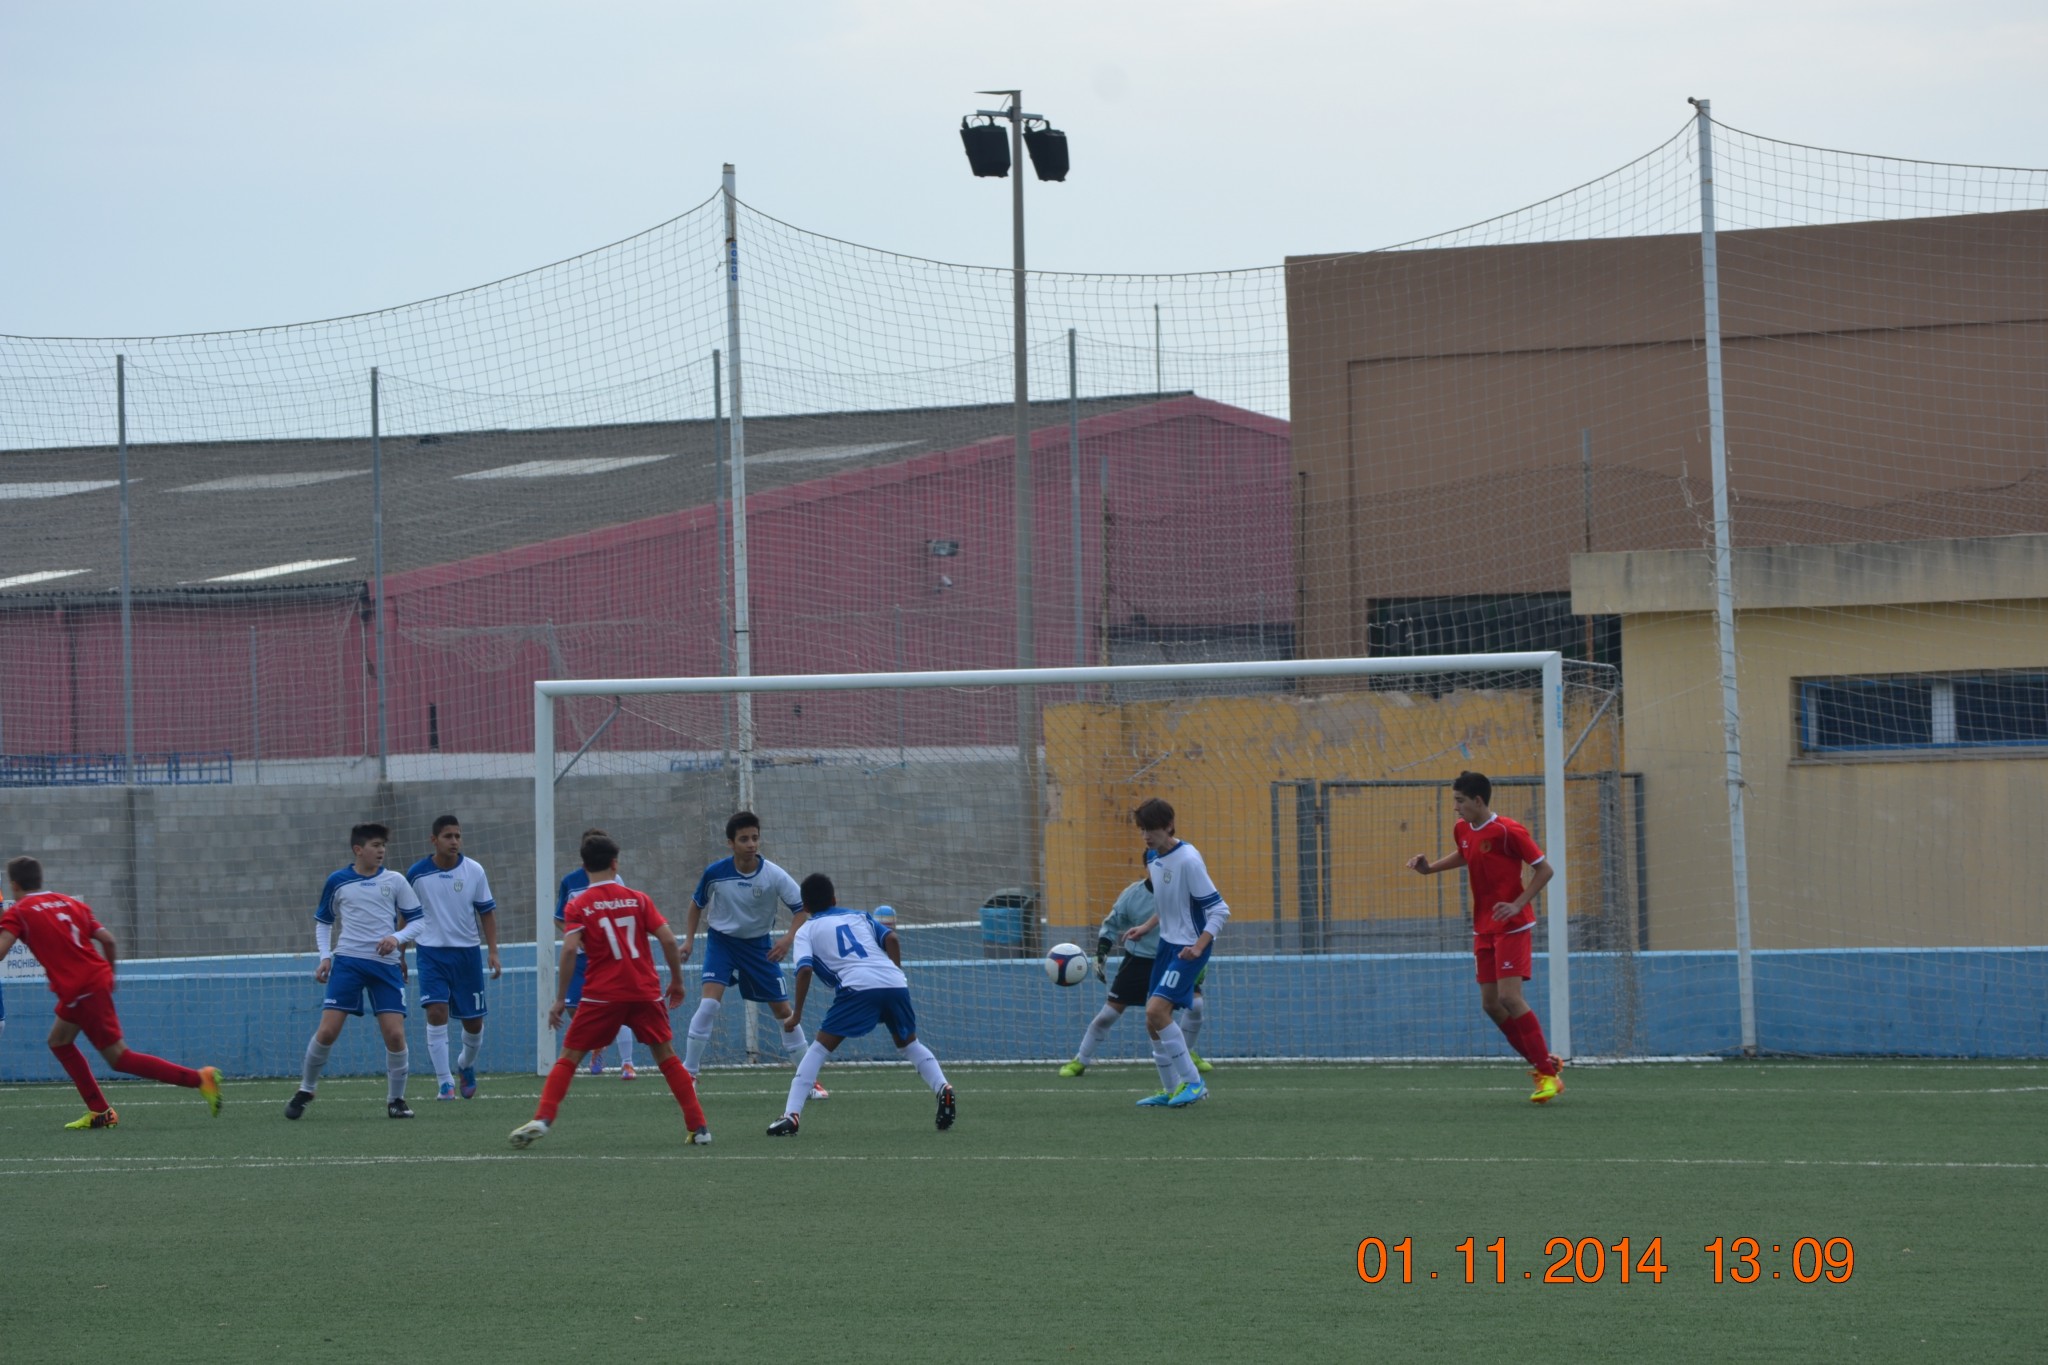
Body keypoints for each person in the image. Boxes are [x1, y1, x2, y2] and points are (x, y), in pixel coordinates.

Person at [510, 833, 709, 1148]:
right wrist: (677, 981)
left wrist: (560, 999)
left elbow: (569, 950)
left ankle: (543, 1118)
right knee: (667, 1056)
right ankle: (699, 1127)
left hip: (601, 994)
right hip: (644, 990)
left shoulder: (578, 905)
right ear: (615, 864)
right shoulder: (638, 899)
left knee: (569, 1057)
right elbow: (669, 940)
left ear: (584, 867)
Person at [0, 856, 221, 1129]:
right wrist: (110, 976)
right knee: (59, 1041)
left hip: (81, 990)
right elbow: (109, 940)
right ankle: (100, 1111)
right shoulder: (70, 902)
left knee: (120, 1058)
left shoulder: (20, 911)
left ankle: (200, 1079)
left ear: (14, 884)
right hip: (90, 984)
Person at [1407, 770, 1564, 1103]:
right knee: (1491, 1004)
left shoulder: (1509, 830)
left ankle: (1548, 1076)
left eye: (1460, 801)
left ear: (1478, 801)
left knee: (1510, 998)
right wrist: (1430, 868)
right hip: (1484, 926)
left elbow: (1545, 869)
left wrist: (1518, 903)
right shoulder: (1462, 828)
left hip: (1512, 925)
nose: (1456, 807)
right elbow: (1466, 853)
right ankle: (1543, 1062)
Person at [766, 873, 953, 1137]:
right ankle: (943, 1087)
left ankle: (791, 1116)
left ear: (805, 907)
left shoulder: (806, 930)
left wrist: (796, 1015)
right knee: (909, 1044)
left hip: (857, 987)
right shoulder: (860, 916)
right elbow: (892, 939)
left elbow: (805, 970)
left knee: (819, 1048)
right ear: (834, 899)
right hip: (894, 982)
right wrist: (895, 975)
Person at [679, 811, 826, 1101]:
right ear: (730, 843)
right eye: (744, 839)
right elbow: (696, 904)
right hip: (722, 943)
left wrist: (788, 938)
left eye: (755, 838)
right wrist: (688, 941)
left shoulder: (773, 874)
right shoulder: (715, 873)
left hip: (759, 948)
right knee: (709, 1004)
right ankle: (688, 1074)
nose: (751, 844)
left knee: (784, 1013)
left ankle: (808, 1080)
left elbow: (802, 909)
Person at [286, 822, 427, 1120]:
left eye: (383, 846)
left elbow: (418, 921)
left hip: (385, 967)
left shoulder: (396, 880)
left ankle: (396, 1100)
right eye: (375, 845)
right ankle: (306, 1088)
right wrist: (325, 957)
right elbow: (324, 921)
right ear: (358, 850)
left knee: (395, 1035)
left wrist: (396, 938)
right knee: (327, 1031)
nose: (381, 850)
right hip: (348, 963)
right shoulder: (338, 881)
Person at [1118, 798, 1227, 1109]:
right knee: (1151, 1021)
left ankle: (1194, 1082)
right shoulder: (1154, 858)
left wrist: (1198, 947)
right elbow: (1169, 904)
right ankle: (1170, 1089)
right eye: (1142, 829)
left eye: (1151, 829)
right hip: (1167, 944)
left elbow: (1219, 910)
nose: (1146, 836)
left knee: (1156, 1011)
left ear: (1169, 826)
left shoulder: (1189, 860)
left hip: (1189, 947)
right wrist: (1146, 926)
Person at [1057, 877, 1210, 1078]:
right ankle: (1081, 1059)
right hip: (1139, 960)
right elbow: (1111, 924)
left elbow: (1201, 924)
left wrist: (1199, 958)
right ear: (1148, 868)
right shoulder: (1133, 894)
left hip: (1173, 959)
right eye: (1154, 865)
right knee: (1107, 1015)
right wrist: (1101, 954)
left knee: (1196, 1005)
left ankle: (1187, 1054)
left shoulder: (1183, 892)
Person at [405, 814, 499, 1101]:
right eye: (448, 836)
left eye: (458, 836)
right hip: (430, 953)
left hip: (467, 954)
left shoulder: (474, 871)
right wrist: (400, 954)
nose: (454, 841)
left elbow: (486, 912)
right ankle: (444, 1082)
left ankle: (465, 1065)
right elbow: (406, 915)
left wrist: (493, 951)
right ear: (434, 840)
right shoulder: (416, 874)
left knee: (474, 1024)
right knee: (436, 1011)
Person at [556, 827, 637, 1078]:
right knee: (573, 1008)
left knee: (620, 1006)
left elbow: (623, 912)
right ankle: (597, 1045)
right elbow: (559, 918)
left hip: (608, 957)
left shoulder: (616, 879)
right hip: (581, 959)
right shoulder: (570, 882)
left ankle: (627, 1063)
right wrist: (576, 936)